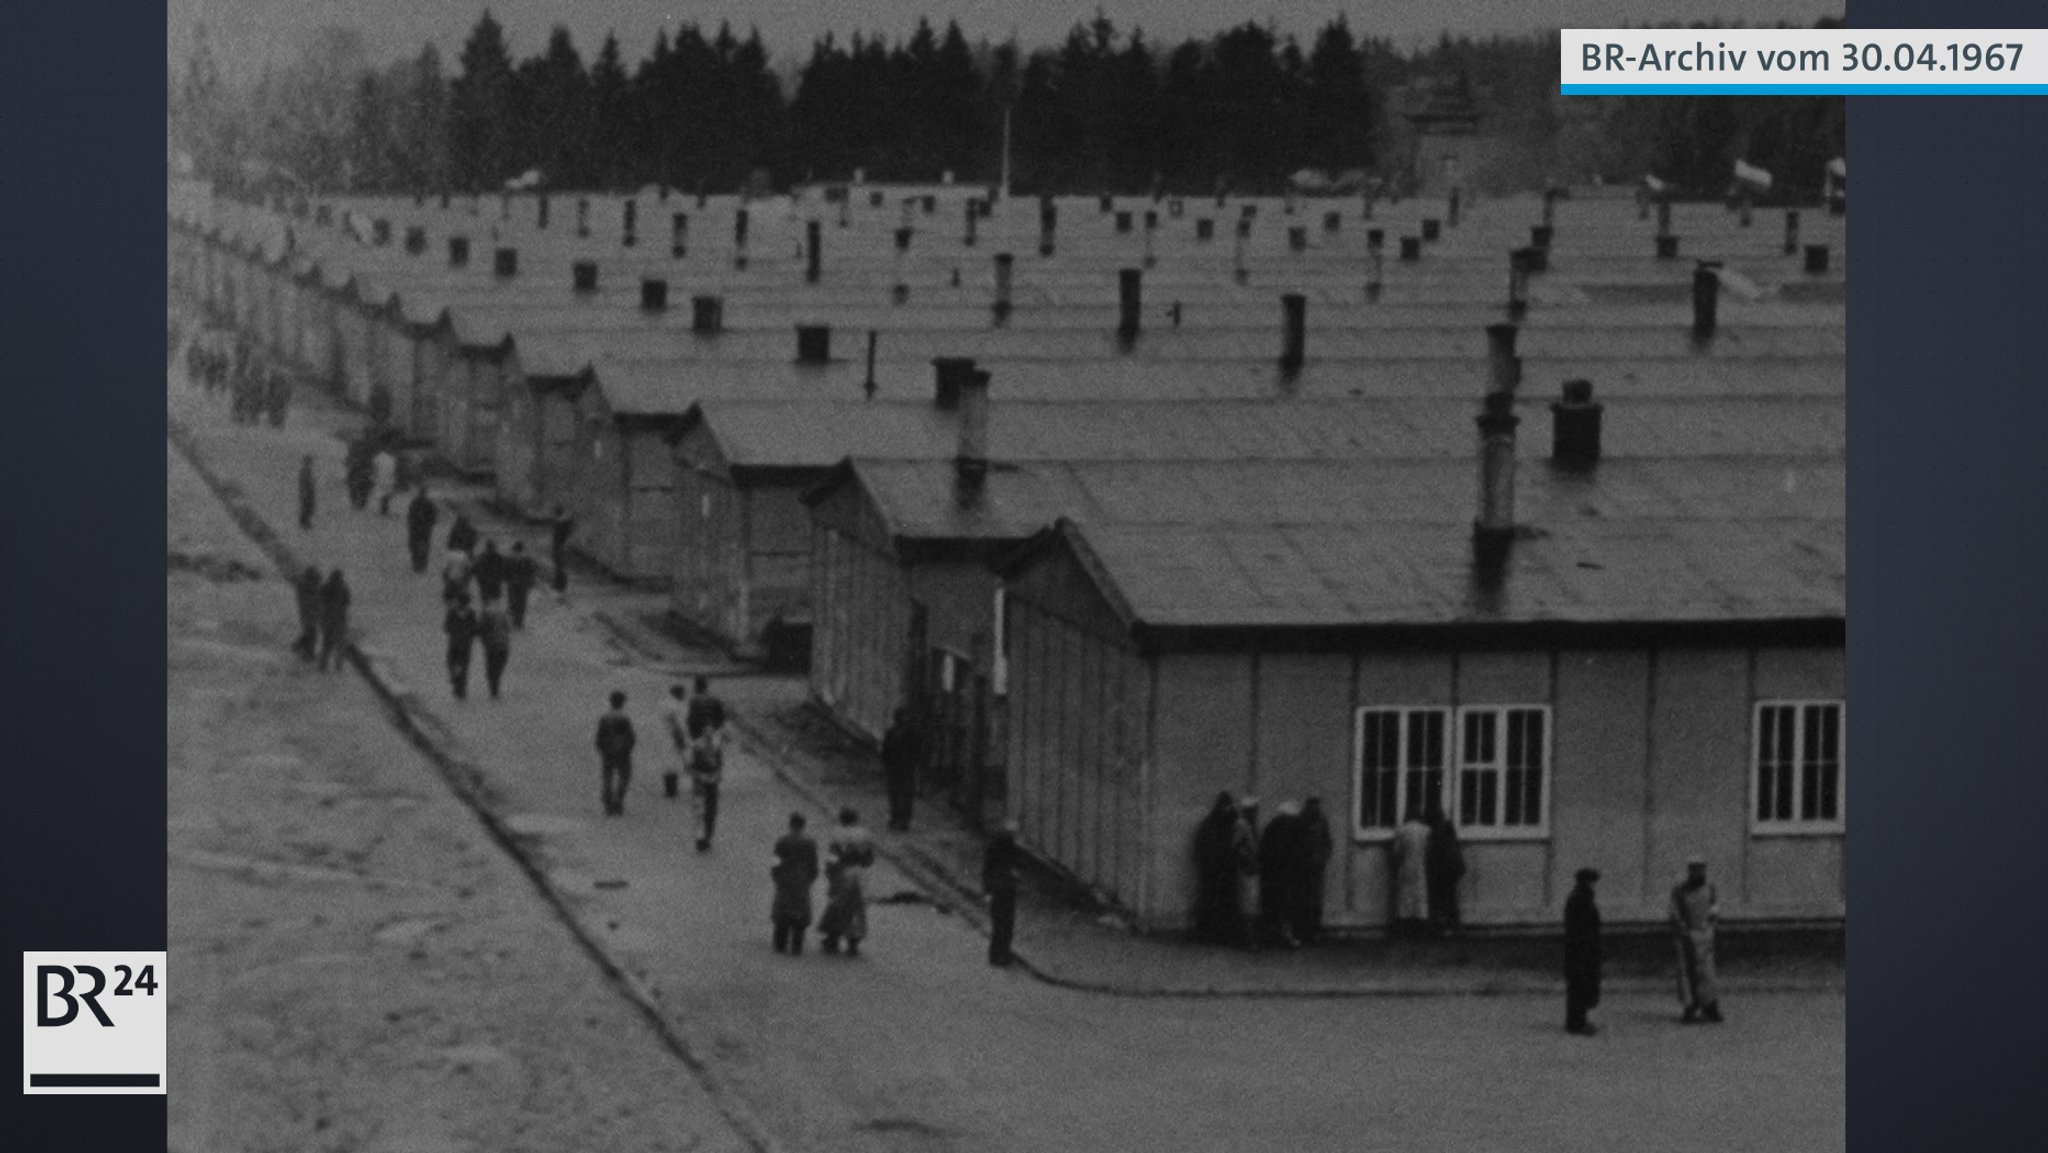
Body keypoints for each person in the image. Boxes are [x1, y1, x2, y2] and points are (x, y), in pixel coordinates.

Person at [1670, 858, 1723, 1024]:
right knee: (1688, 973)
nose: (1698, 873)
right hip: (1687, 937)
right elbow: (1674, 911)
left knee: (1707, 974)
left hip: (1705, 936)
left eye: (1701, 869)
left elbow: (1714, 907)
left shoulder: (1710, 888)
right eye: (1694, 870)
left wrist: (1712, 923)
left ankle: (1710, 1007)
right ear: (1689, 871)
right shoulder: (1680, 890)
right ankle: (1690, 1007)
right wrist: (1683, 930)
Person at [818, 809, 874, 956]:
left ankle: (832, 938)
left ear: (842, 820)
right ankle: (853, 942)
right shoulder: (865, 835)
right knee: (856, 907)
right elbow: (870, 859)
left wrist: (830, 872)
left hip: (842, 873)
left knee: (837, 905)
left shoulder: (838, 835)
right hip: (860, 875)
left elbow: (834, 857)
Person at [1191, 792, 1242, 944]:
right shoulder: (1232, 823)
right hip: (1224, 870)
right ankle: (1222, 933)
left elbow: (1201, 847)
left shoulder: (1210, 823)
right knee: (1223, 902)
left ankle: (1211, 933)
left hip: (1214, 871)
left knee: (1212, 903)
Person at [771, 813, 821, 956]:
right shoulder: (810, 843)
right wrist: (810, 878)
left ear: (790, 824)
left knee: (782, 909)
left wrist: (776, 875)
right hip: (802, 879)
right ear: (803, 825)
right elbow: (814, 864)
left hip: (785, 878)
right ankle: (797, 943)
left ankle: (780, 941)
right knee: (800, 910)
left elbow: (776, 860)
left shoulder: (782, 841)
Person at [1565, 867, 1604, 1036]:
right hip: (1581, 950)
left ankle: (1578, 1020)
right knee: (1579, 986)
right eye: (1592, 881)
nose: (1593, 885)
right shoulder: (1581, 899)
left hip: (1580, 949)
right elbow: (1582, 927)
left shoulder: (1579, 897)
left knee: (1580, 986)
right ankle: (1577, 1023)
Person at [1295, 796, 1335, 945]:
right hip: (1303, 867)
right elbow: (1296, 842)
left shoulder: (1322, 821)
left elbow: (1328, 842)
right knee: (1303, 899)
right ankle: (1303, 931)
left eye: (1317, 804)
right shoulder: (1301, 820)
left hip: (1317, 867)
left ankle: (1315, 931)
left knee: (1316, 900)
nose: (1315, 808)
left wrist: (1323, 859)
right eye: (1312, 804)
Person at [983, 820, 1022, 966]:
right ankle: (999, 955)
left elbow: (987, 870)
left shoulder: (998, 846)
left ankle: (998, 955)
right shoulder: (1005, 847)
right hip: (1003, 890)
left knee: (1001, 925)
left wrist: (987, 891)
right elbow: (988, 869)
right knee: (1004, 925)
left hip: (1001, 889)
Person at [1425, 803, 1467, 936]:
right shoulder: (1448, 826)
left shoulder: (1437, 830)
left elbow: (1436, 851)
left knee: (1444, 898)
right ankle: (1453, 926)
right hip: (1455, 865)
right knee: (1450, 897)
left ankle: (1445, 927)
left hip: (1446, 868)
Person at [688, 710, 728, 852]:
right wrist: (699, 775)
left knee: (711, 811)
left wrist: (717, 774)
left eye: (711, 733)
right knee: (700, 810)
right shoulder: (697, 746)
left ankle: (707, 837)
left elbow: (719, 763)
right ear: (703, 733)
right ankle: (700, 838)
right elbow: (691, 766)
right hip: (701, 780)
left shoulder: (715, 746)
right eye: (707, 733)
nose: (709, 736)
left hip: (711, 781)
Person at [1390, 809, 1431, 937]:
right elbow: (1429, 850)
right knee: (1420, 896)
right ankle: (1421, 929)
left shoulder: (1402, 831)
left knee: (1405, 897)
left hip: (1406, 866)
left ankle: (1404, 928)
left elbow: (1396, 852)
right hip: (1420, 866)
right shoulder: (1426, 830)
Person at [594, 691, 636, 817]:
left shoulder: (605, 717)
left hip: (608, 752)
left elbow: (599, 737)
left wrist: (602, 749)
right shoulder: (624, 718)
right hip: (623, 753)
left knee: (607, 778)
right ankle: (618, 801)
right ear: (622, 703)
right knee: (624, 777)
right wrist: (627, 749)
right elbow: (630, 738)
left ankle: (608, 804)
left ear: (611, 702)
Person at [881, 705, 923, 831]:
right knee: (896, 794)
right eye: (903, 716)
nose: (904, 719)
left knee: (904, 795)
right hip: (897, 767)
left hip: (905, 768)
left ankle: (903, 820)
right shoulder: (892, 732)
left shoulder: (909, 733)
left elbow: (916, 749)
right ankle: (896, 818)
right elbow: (886, 750)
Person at [1232, 797, 1262, 950]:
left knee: (1251, 905)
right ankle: (1249, 938)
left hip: (1252, 869)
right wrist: (1248, 858)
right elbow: (1236, 847)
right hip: (1247, 869)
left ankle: (1249, 937)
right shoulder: (1242, 825)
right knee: (1248, 906)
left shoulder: (1248, 825)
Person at [443, 593, 479, 700]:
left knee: (451, 662)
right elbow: (475, 629)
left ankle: (455, 679)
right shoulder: (471, 613)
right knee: (464, 666)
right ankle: (461, 690)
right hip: (466, 644)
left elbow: (446, 627)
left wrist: (454, 631)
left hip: (454, 642)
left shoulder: (452, 613)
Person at [317, 569, 351, 672]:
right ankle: (338, 665)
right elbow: (347, 602)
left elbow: (320, 601)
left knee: (328, 644)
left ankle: (323, 665)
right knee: (339, 644)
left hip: (328, 620)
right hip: (338, 620)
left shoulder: (325, 588)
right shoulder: (343, 589)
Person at [478, 601, 512, 700]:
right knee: (498, 668)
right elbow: (509, 629)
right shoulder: (502, 615)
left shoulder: (486, 617)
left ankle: (494, 689)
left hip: (493, 646)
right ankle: (494, 689)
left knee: (492, 669)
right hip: (502, 646)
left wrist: (484, 641)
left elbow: (481, 631)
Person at [661, 683, 689, 799]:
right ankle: (671, 789)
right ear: (678, 693)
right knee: (674, 763)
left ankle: (670, 789)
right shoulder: (674, 705)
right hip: (674, 736)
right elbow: (675, 723)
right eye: (683, 693)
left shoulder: (666, 703)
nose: (685, 695)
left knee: (670, 763)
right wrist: (680, 738)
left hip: (667, 736)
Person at [291, 565, 323, 660]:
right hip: (309, 613)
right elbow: (312, 601)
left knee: (309, 633)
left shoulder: (304, 586)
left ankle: (297, 647)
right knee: (312, 634)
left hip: (308, 613)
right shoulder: (307, 588)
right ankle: (308, 654)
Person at [504, 542, 538, 628]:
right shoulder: (528, 558)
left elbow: (504, 569)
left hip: (512, 583)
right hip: (523, 584)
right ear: (522, 549)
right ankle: (518, 622)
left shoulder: (509, 557)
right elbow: (533, 570)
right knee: (522, 602)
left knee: (513, 600)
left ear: (514, 549)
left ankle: (513, 617)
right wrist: (531, 582)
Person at [406, 488, 439, 574]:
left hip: (417, 530)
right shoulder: (428, 504)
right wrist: (430, 524)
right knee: (422, 548)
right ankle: (421, 566)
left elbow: (410, 516)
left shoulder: (415, 503)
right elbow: (434, 517)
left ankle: (418, 565)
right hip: (424, 530)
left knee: (416, 548)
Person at [550, 506, 576, 594]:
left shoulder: (557, 523)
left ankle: (559, 585)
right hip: (563, 546)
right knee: (561, 566)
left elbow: (556, 536)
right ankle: (561, 585)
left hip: (558, 547)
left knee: (559, 566)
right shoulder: (565, 523)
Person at [473, 539, 507, 604]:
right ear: (494, 547)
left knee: (485, 600)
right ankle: (494, 612)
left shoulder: (481, 557)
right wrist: (501, 578)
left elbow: (475, 569)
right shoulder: (499, 557)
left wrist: (479, 579)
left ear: (486, 547)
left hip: (485, 582)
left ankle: (486, 612)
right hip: (495, 582)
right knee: (495, 600)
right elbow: (504, 569)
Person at [372, 445, 398, 515]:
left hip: (381, 477)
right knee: (386, 494)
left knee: (381, 494)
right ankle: (384, 510)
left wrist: (374, 476)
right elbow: (394, 470)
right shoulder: (392, 458)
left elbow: (375, 468)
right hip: (388, 478)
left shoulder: (378, 457)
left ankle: (382, 510)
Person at [297, 455, 316, 531]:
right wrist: (305, 492)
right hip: (307, 492)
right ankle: (304, 523)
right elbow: (304, 483)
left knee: (309, 507)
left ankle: (305, 522)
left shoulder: (307, 471)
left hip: (308, 492)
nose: (310, 464)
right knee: (306, 507)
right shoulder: (305, 471)